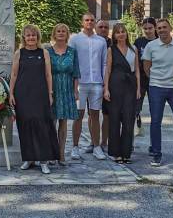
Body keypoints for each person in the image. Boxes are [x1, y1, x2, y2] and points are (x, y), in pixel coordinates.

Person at [10, 24, 60, 174]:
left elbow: (48, 75)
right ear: (24, 37)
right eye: (28, 35)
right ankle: (29, 158)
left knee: (42, 125)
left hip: (40, 94)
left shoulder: (44, 52)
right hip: (22, 94)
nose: (31, 37)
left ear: (37, 37)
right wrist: (11, 94)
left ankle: (43, 160)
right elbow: (14, 75)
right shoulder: (19, 53)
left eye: (33, 35)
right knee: (24, 125)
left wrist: (50, 93)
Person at [142, 18, 173, 168]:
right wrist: (157, 79)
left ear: (170, 28)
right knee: (156, 122)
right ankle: (157, 154)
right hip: (156, 87)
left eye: (164, 27)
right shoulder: (151, 46)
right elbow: (146, 67)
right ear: (157, 30)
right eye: (159, 28)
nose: (162, 30)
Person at [69, 13, 107, 161]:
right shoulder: (75, 39)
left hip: (96, 83)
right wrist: (73, 84)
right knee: (78, 115)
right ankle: (75, 147)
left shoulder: (101, 41)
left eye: (92, 20)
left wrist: (104, 83)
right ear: (82, 22)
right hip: (80, 82)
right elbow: (72, 61)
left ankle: (96, 147)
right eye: (87, 20)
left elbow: (104, 63)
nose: (89, 22)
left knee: (95, 115)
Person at [103, 23, 140, 163]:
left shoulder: (133, 49)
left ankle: (126, 153)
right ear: (114, 35)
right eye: (118, 32)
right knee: (114, 119)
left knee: (128, 120)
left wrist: (138, 89)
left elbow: (137, 70)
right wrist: (106, 89)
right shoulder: (111, 49)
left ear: (126, 33)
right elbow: (108, 70)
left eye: (123, 31)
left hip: (130, 86)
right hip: (115, 85)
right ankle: (116, 153)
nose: (121, 34)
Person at [46, 23, 80, 165]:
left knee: (63, 122)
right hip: (52, 89)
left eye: (63, 31)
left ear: (67, 34)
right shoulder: (47, 52)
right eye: (58, 31)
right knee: (51, 122)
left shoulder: (72, 52)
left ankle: (61, 154)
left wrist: (75, 90)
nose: (61, 33)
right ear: (54, 34)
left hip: (67, 89)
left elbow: (76, 73)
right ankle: (51, 153)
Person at [134, 17, 157, 138]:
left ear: (155, 28)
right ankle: (136, 126)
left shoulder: (159, 41)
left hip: (156, 79)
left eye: (150, 28)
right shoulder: (139, 42)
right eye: (145, 28)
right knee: (136, 105)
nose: (148, 31)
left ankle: (155, 137)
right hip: (140, 79)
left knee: (155, 108)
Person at [94, 19, 111, 152]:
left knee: (107, 114)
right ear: (95, 28)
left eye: (106, 27)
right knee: (92, 114)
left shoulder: (113, 43)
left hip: (109, 84)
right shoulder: (91, 42)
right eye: (100, 27)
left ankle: (104, 142)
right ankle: (93, 142)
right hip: (93, 82)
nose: (103, 29)